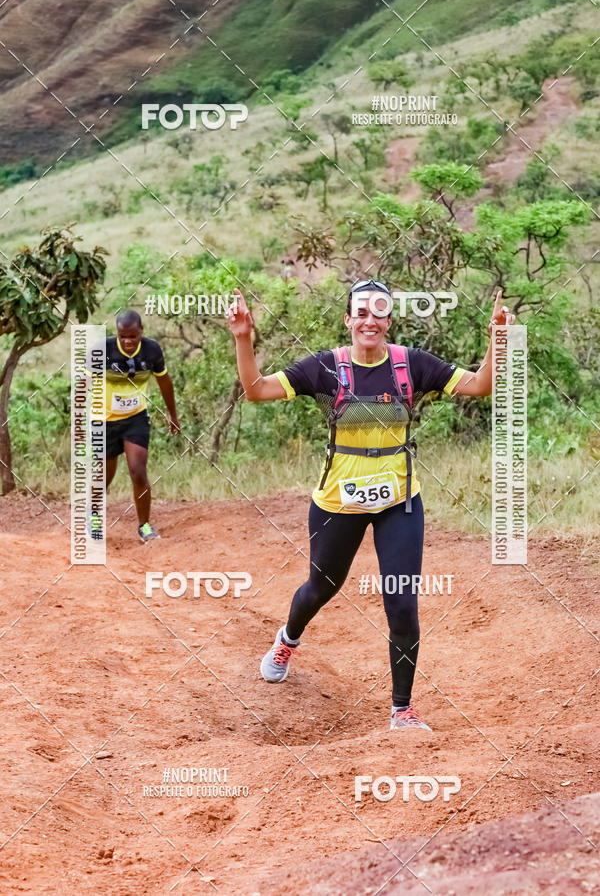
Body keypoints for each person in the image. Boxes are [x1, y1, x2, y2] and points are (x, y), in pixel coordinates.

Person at [227, 281, 515, 730]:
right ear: (348, 320)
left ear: (388, 321)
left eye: (379, 312)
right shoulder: (325, 368)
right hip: (338, 500)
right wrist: (244, 338)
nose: (369, 320)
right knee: (320, 588)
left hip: (398, 499)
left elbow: (480, 385)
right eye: (360, 312)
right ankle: (288, 638)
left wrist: (497, 339)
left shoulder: (410, 364)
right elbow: (257, 391)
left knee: (401, 601)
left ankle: (402, 710)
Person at [91, 310, 180, 543]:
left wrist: (173, 415)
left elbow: (164, 382)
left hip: (135, 418)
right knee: (103, 477)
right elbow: (83, 385)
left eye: (133, 336)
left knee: (138, 471)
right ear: (117, 335)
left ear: (141, 332)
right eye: (123, 337)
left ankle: (145, 526)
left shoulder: (151, 350)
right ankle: (94, 520)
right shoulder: (102, 350)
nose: (128, 342)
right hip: (104, 420)